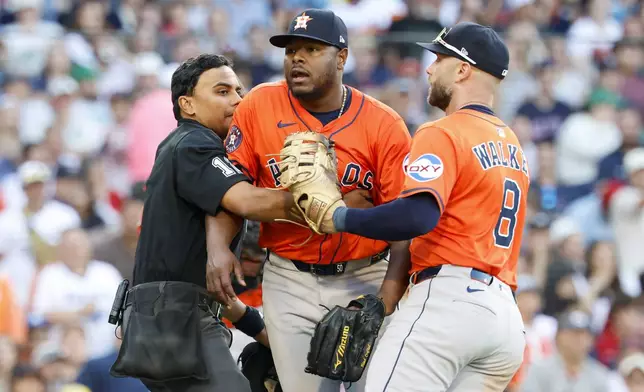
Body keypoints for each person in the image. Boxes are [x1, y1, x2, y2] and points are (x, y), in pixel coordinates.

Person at [210, 9, 412, 392]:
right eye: (290, 51)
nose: (296, 58)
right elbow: (227, 190)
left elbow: (404, 229)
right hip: (289, 276)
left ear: (341, 57)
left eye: (311, 49)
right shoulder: (258, 105)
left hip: (364, 275)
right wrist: (218, 245)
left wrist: (383, 301)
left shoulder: (383, 125)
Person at [325, 23, 529, 391]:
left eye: (439, 58)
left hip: (448, 306)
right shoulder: (512, 144)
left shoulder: (444, 131)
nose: (429, 68)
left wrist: (340, 217)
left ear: (463, 69)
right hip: (505, 322)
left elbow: (417, 216)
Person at [115, 54, 304, 392]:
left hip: (171, 315)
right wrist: (318, 200)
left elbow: (215, 291)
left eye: (239, 90)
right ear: (187, 104)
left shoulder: (187, 148)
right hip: (175, 318)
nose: (237, 99)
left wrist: (267, 336)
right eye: (222, 91)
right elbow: (246, 200)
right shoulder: (192, 143)